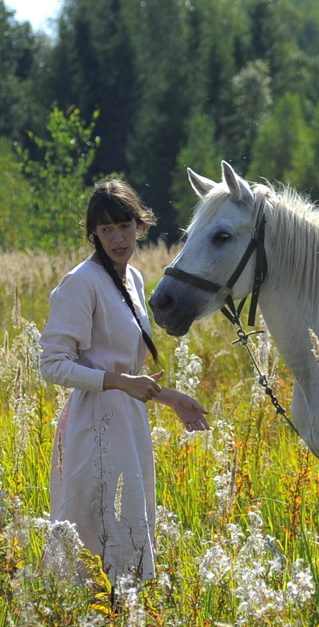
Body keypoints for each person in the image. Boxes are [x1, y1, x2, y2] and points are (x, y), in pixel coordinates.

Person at [39, 179, 210, 582]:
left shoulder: (133, 279)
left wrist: (170, 398)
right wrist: (119, 383)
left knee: (130, 523)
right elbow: (52, 365)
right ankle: (81, 625)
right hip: (91, 426)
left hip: (129, 425)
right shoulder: (81, 282)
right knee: (89, 534)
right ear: (93, 234)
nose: (117, 238)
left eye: (124, 226)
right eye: (106, 230)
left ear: (140, 224)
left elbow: (127, 371)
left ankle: (125, 624)